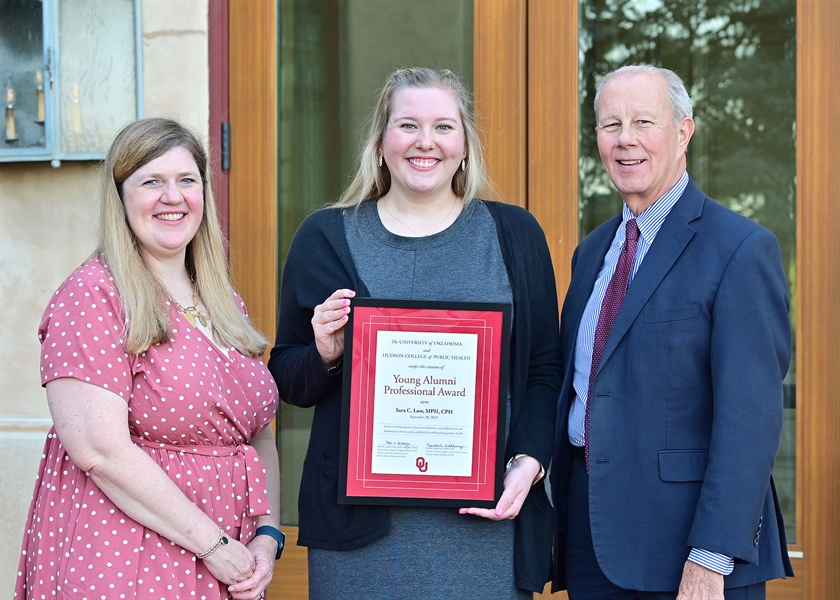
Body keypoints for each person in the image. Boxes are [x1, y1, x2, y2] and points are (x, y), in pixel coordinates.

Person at [268, 67, 562, 598]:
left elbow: (545, 367)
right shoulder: (326, 237)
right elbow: (288, 378)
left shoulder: (515, 234)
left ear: (465, 144)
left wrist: (529, 463)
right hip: (357, 539)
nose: (426, 143)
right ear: (381, 142)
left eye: (444, 127)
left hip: (485, 526)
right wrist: (325, 353)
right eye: (408, 125)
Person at [550, 65, 793, 599]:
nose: (625, 139)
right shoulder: (592, 252)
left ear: (683, 132)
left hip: (689, 547)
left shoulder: (739, 249)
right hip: (593, 537)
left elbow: (749, 424)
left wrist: (710, 558)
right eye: (610, 124)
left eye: (643, 121)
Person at [15, 118, 284, 600]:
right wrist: (215, 545)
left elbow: (257, 432)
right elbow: (101, 452)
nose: (172, 196)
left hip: (228, 561)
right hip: (129, 560)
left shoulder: (221, 301)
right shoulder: (93, 296)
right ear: (120, 198)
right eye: (151, 182)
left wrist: (267, 535)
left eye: (187, 180)